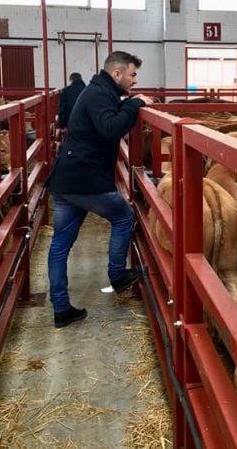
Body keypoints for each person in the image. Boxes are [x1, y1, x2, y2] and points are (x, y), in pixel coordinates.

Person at [46, 51, 154, 328]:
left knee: (60, 246)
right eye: (131, 74)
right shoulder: (98, 95)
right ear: (116, 74)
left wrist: (127, 102)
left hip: (66, 179)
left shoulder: (98, 92)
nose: (134, 80)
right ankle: (117, 276)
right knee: (124, 216)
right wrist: (135, 104)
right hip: (85, 180)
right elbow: (110, 128)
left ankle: (61, 310)